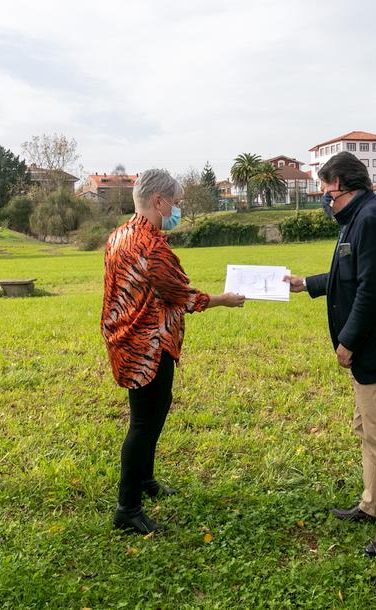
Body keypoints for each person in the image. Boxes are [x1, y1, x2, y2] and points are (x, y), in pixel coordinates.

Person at [284, 151, 376, 557]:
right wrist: (306, 283)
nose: (325, 201)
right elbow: (351, 273)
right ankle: (374, 504)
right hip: (372, 343)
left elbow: (373, 289)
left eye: (327, 193)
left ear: (346, 186)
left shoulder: (373, 219)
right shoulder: (360, 218)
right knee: (367, 428)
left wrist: (348, 341)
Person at [101, 168, 245, 534]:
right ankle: (127, 509)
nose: (177, 210)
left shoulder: (118, 236)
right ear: (158, 201)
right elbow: (183, 295)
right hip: (149, 347)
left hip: (125, 340)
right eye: (176, 203)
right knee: (143, 425)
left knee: (152, 413)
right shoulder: (152, 248)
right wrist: (223, 300)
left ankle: (145, 480)